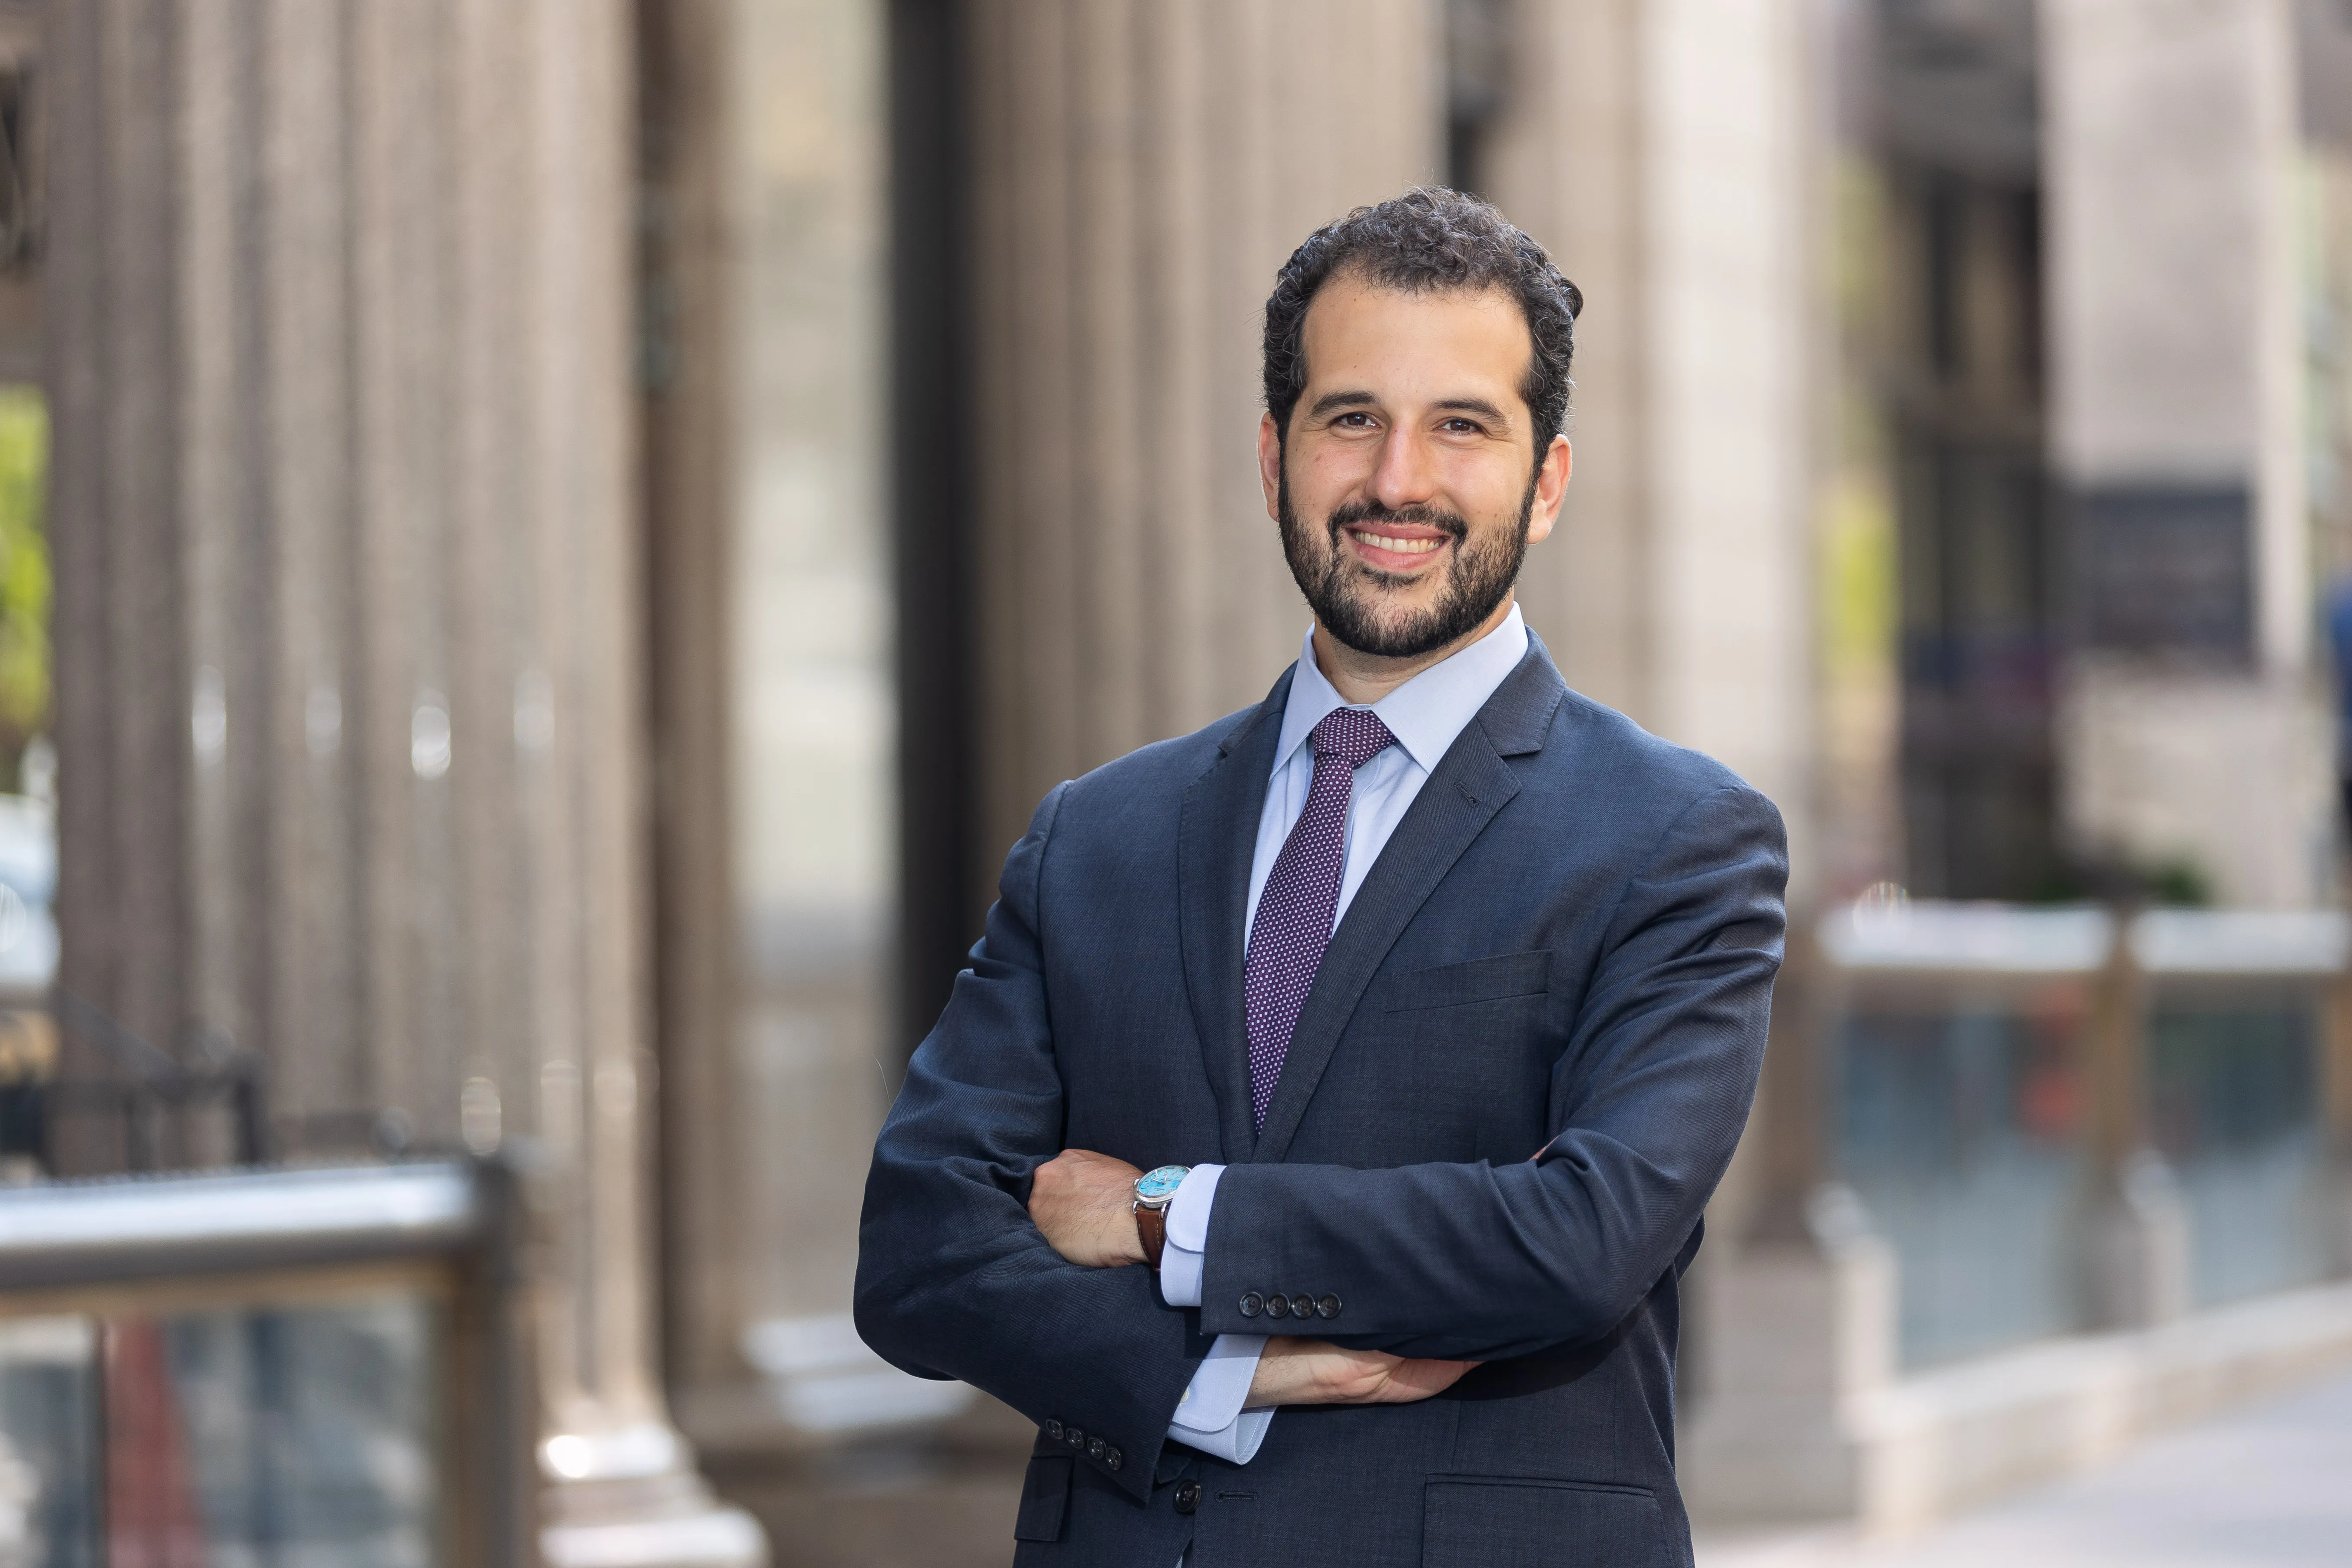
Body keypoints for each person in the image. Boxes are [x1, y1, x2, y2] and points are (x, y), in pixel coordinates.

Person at [855, 188, 1787, 1568]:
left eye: (1461, 424)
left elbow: (1581, 1237)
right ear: (1272, 454)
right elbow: (922, 1250)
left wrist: (1166, 1211)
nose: (1397, 478)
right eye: (1350, 417)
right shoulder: (1096, 835)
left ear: (1547, 482)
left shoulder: (1678, 840)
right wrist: (1225, 1369)